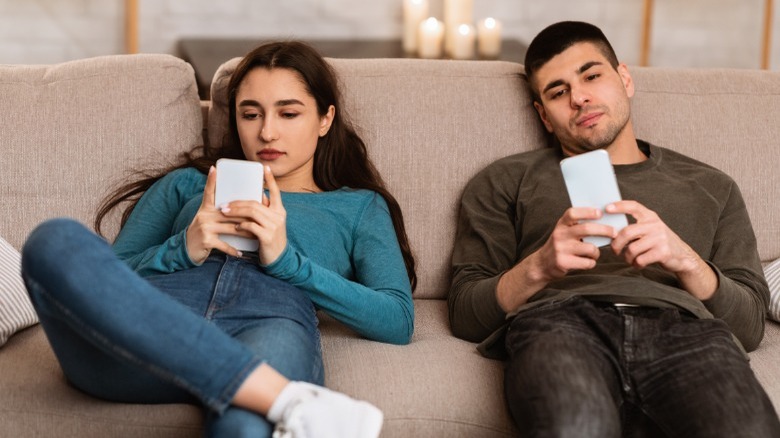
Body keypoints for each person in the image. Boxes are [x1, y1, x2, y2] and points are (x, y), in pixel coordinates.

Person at [21, 41, 416, 438]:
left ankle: (258, 393)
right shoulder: (187, 184)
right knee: (53, 240)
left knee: (244, 425)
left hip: (268, 324)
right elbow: (108, 277)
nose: (267, 132)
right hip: (155, 330)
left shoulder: (358, 206)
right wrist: (182, 248)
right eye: (251, 114)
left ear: (325, 119)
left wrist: (288, 263)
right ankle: (281, 398)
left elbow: (396, 319)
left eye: (289, 112)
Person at [449, 21, 780, 437]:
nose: (579, 97)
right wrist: (540, 267)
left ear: (624, 79)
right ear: (543, 116)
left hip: (687, 331)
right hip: (560, 324)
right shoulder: (503, 180)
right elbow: (464, 313)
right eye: (558, 91)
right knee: (576, 426)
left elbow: (750, 327)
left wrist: (686, 261)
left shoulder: (712, 186)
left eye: (591, 76)